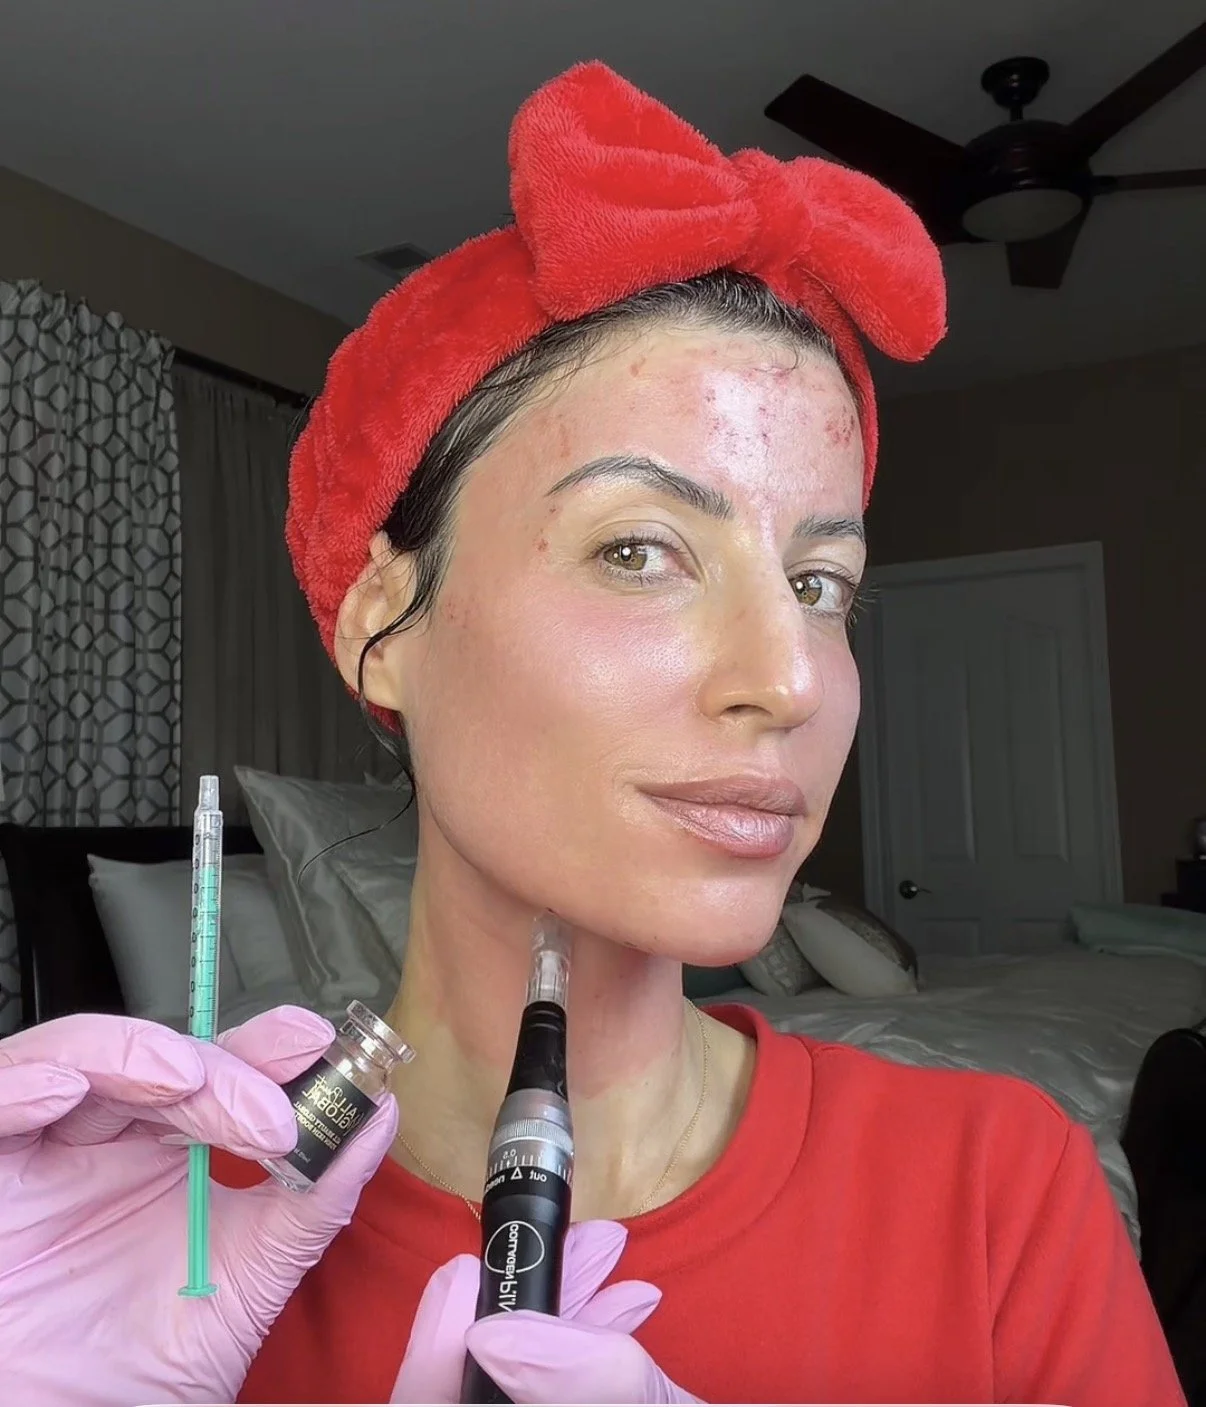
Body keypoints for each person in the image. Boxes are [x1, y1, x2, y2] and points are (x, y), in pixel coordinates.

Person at [0, 62, 1185, 1407]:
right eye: (639, 548)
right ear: (382, 621)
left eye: (819, 585)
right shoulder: (155, 1246)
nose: (788, 676)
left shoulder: (1000, 1181)